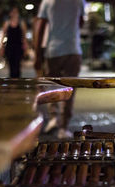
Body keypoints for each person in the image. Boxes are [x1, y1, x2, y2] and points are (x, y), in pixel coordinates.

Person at [34, 0, 85, 139]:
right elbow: (81, 22)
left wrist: (38, 54)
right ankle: (63, 126)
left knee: (52, 87)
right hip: (73, 49)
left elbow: (41, 27)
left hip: (53, 50)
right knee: (70, 89)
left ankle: (53, 118)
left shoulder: (47, 1)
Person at [1, 7, 28, 78]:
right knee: (11, 67)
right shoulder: (7, 23)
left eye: (16, 12)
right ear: (10, 13)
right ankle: (12, 83)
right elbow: (3, 36)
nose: (14, 14)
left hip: (18, 47)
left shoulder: (21, 23)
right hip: (9, 47)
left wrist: (26, 49)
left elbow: (24, 37)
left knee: (17, 66)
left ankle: (17, 82)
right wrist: (2, 48)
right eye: (13, 12)